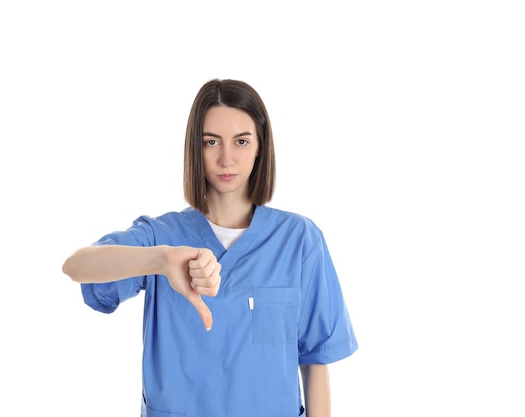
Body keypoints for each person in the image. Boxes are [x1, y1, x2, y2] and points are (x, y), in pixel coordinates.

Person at [62, 78, 358, 417]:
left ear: (260, 146)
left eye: (241, 141)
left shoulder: (299, 240)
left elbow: (315, 358)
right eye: (211, 141)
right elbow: (76, 266)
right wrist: (162, 259)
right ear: (194, 148)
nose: (227, 158)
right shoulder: (162, 235)